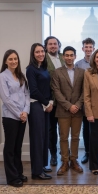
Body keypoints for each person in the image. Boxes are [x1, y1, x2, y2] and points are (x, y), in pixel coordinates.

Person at [0, 49, 30, 187]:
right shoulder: (2, 77)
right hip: (11, 117)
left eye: (15, 59)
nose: (13, 61)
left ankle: (18, 173)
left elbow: (27, 95)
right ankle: (11, 177)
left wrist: (25, 112)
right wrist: (19, 113)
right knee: (10, 147)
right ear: (6, 61)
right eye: (10, 59)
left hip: (22, 116)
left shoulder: (21, 75)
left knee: (18, 147)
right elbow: (6, 99)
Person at [51, 46, 85, 175]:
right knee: (64, 137)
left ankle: (74, 160)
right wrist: (68, 106)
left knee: (75, 137)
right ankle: (65, 161)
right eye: (67, 55)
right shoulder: (57, 72)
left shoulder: (82, 72)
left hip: (78, 110)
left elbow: (84, 91)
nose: (69, 57)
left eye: (72, 55)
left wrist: (77, 105)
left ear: (75, 56)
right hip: (63, 110)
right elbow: (56, 91)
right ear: (63, 57)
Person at [26, 43, 54, 180]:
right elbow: (34, 90)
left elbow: (47, 87)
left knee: (44, 138)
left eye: (42, 51)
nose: (40, 54)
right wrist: (46, 103)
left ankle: (42, 165)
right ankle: (36, 172)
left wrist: (50, 102)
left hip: (45, 105)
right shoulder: (30, 69)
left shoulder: (43, 68)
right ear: (33, 54)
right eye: (37, 52)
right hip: (36, 105)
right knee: (37, 139)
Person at [44, 36, 65, 167]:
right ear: (46, 46)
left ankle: (65, 153)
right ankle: (53, 154)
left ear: (58, 45)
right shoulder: (43, 59)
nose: (53, 46)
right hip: (50, 100)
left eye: (55, 44)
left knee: (63, 128)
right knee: (51, 130)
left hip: (64, 100)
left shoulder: (64, 57)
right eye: (50, 44)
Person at [75, 37, 96, 164]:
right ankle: (87, 153)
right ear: (83, 49)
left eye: (90, 47)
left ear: (93, 48)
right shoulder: (78, 64)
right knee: (86, 129)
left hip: (97, 101)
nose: (88, 49)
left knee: (96, 130)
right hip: (84, 102)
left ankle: (95, 153)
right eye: (86, 47)